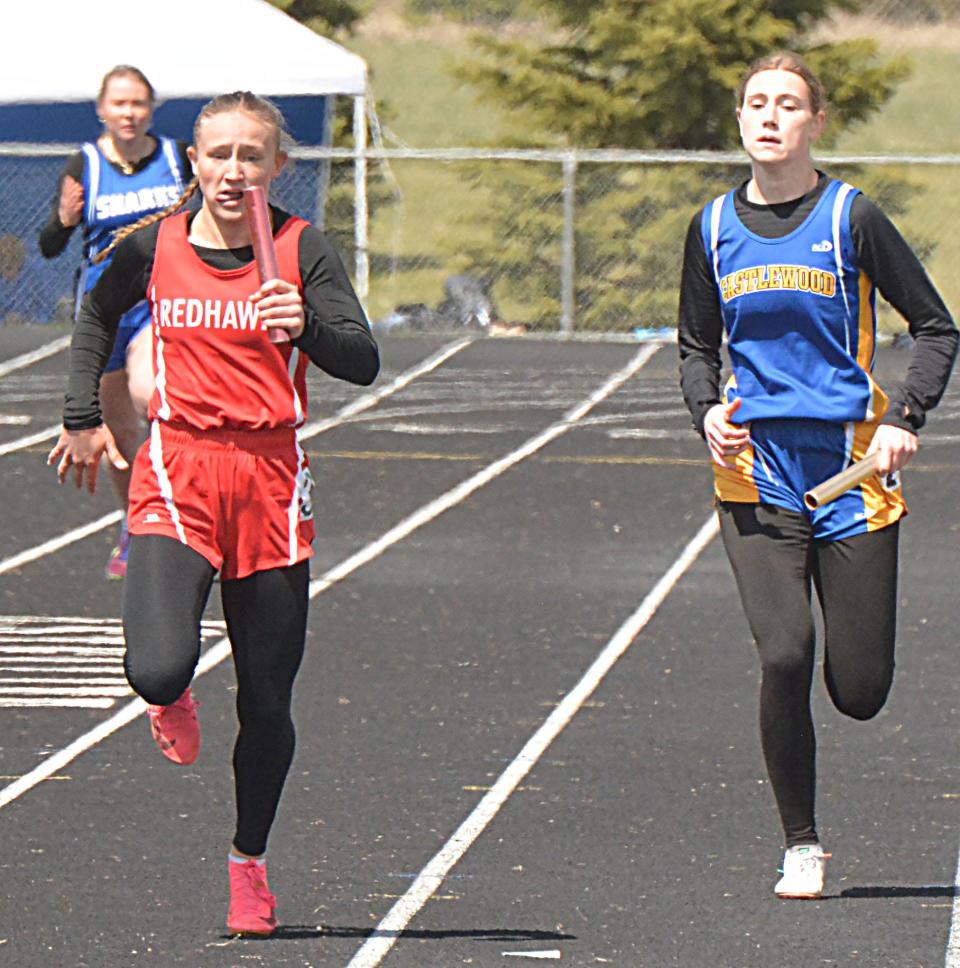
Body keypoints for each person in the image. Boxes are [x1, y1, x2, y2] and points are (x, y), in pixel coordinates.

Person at [48, 91, 379, 935]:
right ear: (192, 161)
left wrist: (306, 325)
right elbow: (94, 310)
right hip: (178, 468)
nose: (234, 171)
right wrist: (81, 414)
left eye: (252, 156)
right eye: (219, 154)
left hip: (269, 482)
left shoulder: (303, 249)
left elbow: (364, 359)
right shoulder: (155, 243)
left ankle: (249, 864)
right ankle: (170, 696)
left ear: (278, 167)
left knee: (267, 702)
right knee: (156, 667)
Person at [678, 51, 958, 900]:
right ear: (739, 119)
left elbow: (937, 329)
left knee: (860, 689)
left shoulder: (851, 217)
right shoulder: (712, 228)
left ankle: (850, 699)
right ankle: (801, 842)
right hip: (755, 477)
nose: (768, 116)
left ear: (815, 122)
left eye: (787, 103)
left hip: (851, 473)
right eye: (755, 102)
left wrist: (904, 421)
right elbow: (695, 346)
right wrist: (707, 414)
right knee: (785, 653)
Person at [39, 65, 192, 579]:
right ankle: (136, 522)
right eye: (119, 104)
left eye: (138, 103)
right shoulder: (84, 165)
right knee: (119, 432)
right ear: (102, 109)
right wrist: (62, 219)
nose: (129, 113)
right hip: (104, 310)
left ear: (151, 108)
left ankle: (179, 503)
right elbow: (49, 245)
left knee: (149, 388)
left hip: (157, 301)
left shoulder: (175, 159)